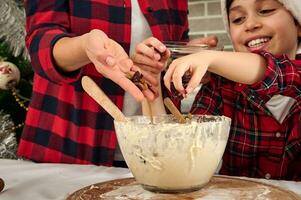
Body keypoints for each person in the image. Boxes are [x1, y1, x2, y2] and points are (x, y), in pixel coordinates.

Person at [134, 0, 301, 180]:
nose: (251, 24)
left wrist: (211, 58)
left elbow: (274, 72)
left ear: (298, 25)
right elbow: (172, 158)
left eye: (266, 10)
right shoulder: (220, 87)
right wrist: (152, 81)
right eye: (238, 19)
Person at [17, 0, 190, 166]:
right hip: (69, 147)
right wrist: (84, 46)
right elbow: (40, 46)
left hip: (158, 152)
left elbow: (176, 47)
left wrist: (189, 58)